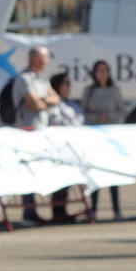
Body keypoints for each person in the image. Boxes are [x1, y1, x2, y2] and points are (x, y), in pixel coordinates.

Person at [12, 45, 59, 225]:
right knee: (27, 169)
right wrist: (45, 101)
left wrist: (44, 101)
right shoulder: (24, 79)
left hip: (41, 131)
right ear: (35, 59)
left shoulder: (42, 79)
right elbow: (33, 105)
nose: (47, 62)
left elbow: (55, 99)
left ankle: (52, 209)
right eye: (44, 58)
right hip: (26, 132)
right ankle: (28, 212)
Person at [81, 59, 128, 220]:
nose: (102, 73)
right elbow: (83, 113)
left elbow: (122, 112)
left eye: (105, 70)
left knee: (113, 173)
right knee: (95, 172)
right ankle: (93, 209)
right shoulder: (89, 91)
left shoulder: (114, 90)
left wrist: (108, 117)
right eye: (99, 70)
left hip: (111, 136)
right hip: (94, 136)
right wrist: (96, 118)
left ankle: (116, 209)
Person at [47, 72, 86, 223]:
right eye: (66, 83)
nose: (69, 86)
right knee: (59, 180)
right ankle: (57, 210)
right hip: (56, 147)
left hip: (72, 148)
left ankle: (62, 210)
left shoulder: (72, 104)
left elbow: (80, 120)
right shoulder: (51, 104)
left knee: (69, 179)